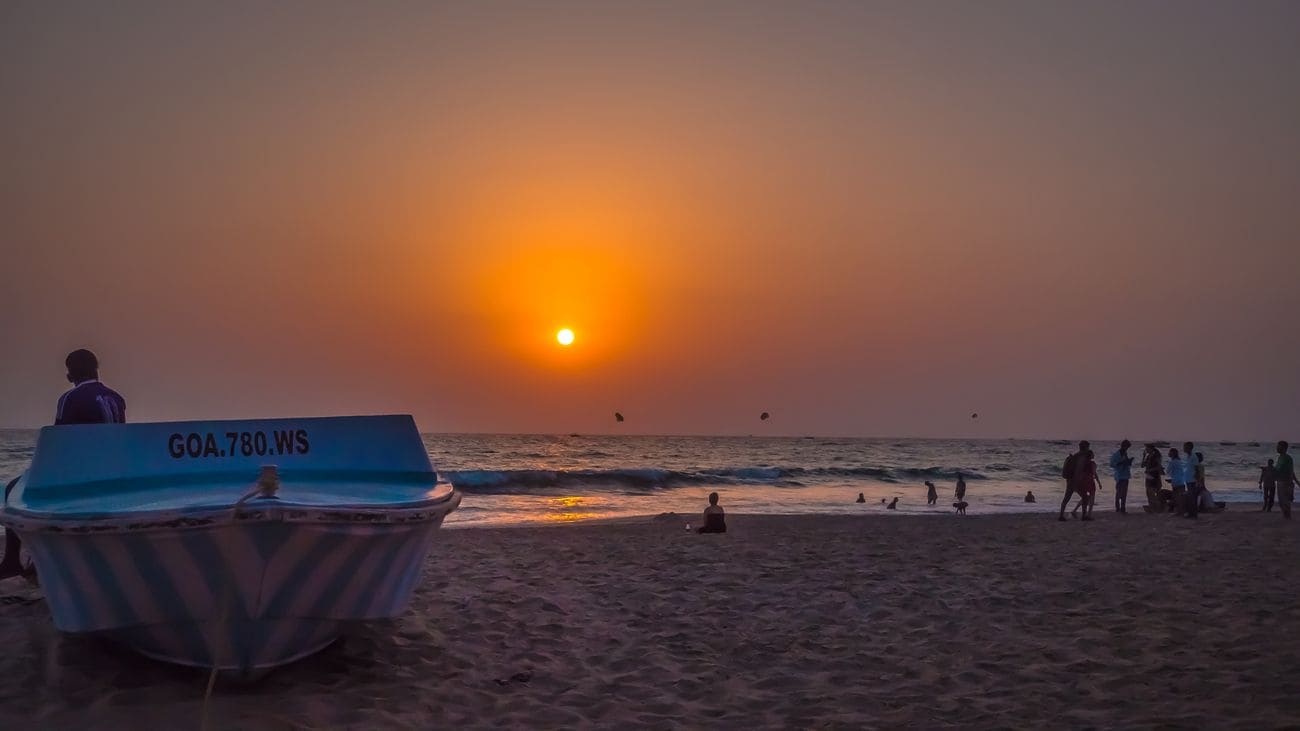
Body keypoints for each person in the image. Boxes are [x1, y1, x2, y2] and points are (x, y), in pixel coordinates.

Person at [0, 349, 126, 579]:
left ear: (70, 375)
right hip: (112, 472)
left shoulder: (70, 398)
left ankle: (12, 561)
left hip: (79, 474)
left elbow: (58, 443)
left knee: (12, 489)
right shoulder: (116, 397)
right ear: (96, 368)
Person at [1058, 440, 1088, 522]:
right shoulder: (1082, 457)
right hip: (1075, 481)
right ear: (1086, 448)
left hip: (1070, 480)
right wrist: (1078, 480)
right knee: (1085, 497)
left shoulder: (1075, 456)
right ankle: (1084, 516)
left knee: (1067, 498)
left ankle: (1061, 515)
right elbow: (1079, 469)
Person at [1109, 440, 1134, 514]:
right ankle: (1118, 508)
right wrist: (1122, 462)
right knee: (1119, 493)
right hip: (1120, 476)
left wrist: (1129, 461)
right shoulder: (1117, 454)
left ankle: (1122, 508)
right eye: (1127, 447)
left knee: (1124, 493)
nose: (1127, 449)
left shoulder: (1124, 453)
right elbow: (1112, 464)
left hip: (1125, 475)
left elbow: (1125, 463)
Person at [1140, 444, 1165, 512]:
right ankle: (1152, 507)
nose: (1146, 450)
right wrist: (1144, 456)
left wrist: (1150, 470)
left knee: (1153, 493)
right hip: (1149, 477)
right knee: (1149, 493)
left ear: (1151, 449)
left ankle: (1157, 508)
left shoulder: (1156, 456)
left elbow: (1159, 467)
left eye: (1147, 448)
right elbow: (1142, 465)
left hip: (1154, 477)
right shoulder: (1148, 457)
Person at [1276, 441, 1295, 520]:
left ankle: (1288, 517)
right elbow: (1277, 469)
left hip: (1286, 482)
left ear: (1284, 448)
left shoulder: (1287, 458)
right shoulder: (1280, 457)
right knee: (1281, 501)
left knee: (1285, 501)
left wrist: (1293, 482)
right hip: (1280, 481)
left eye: (1278, 446)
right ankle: (1286, 516)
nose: (1277, 448)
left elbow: (1290, 471)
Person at [1183, 442, 1201, 519]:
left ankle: (1194, 514)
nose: (1184, 448)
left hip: (1192, 480)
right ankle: (1191, 513)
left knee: (1193, 497)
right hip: (1188, 479)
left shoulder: (1194, 457)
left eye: (1185, 447)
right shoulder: (1188, 456)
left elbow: (1197, 469)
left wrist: (1198, 481)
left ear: (1189, 447)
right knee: (1190, 497)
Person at [1166, 448, 1186, 515]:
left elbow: (1167, 471)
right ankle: (1181, 511)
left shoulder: (1172, 462)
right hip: (1181, 481)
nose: (1168, 453)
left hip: (1175, 482)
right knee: (1180, 498)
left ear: (1172, 454)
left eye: (1170, 452)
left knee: (1176, 497)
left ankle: (1178, 512)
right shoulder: (1180, 461)